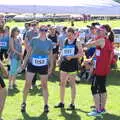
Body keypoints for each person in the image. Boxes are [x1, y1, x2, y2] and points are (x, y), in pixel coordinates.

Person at [21, 25, 53, 113]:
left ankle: (46, 105)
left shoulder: (49, 42)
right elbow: (28, 52)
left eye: (45, 30)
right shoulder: (34, 40)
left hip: (43, 65)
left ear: (47, 31)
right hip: (32, 64)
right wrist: (24, 62)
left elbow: (50, 55)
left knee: (44, 85)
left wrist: (51, 66)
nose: (43, 32)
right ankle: (23, 103)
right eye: (42, 30)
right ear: (39, 31)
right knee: (27, 84)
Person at [85, 25, 114, 116]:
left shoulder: (102, 40)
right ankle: (102, 108)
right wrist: (91, 59)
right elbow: (97, 51)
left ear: (105, 32)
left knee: (94, 88)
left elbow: (89, 45)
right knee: (101, 88)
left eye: (99, 30)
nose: (98, 31)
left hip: (100, 69)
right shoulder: (105, 40)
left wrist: (83, 43)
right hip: (102, 68)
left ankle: (98, 111)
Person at [55, 27, 83, 110]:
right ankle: (61, 102)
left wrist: (72, 56)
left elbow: (81, 53)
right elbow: (63, 51)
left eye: (70, 35)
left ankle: (72, 103)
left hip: (72, 65)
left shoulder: (77, 42)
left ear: (74, 34)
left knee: (72, 84)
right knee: (62, 83)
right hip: (64, 64)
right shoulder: (65, 40)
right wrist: (59, 59)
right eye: (67, 35)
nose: (68, 36)